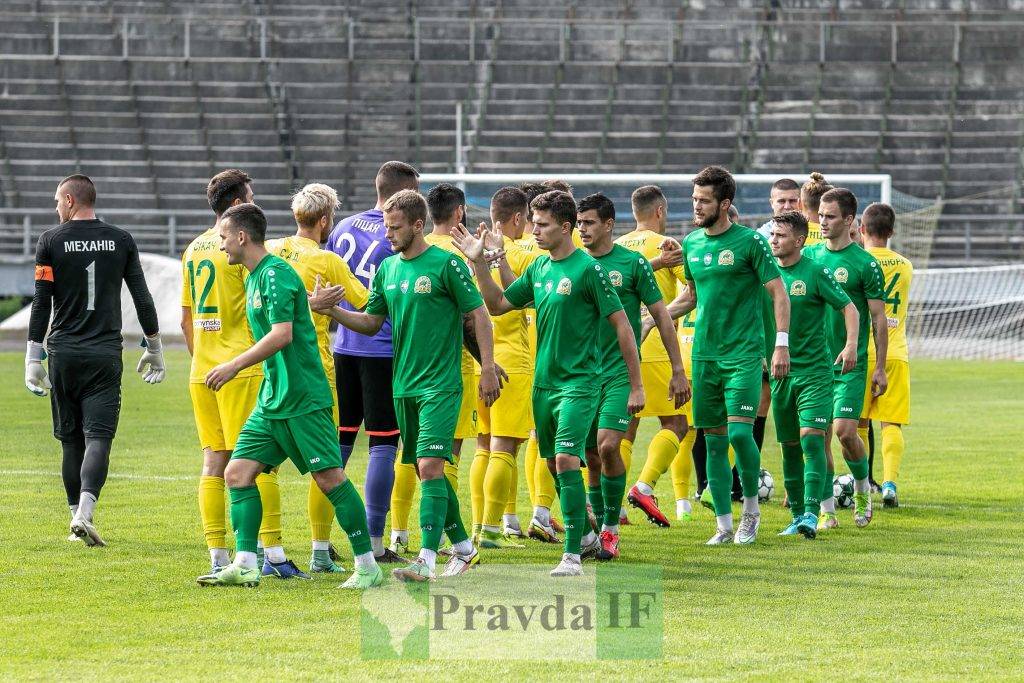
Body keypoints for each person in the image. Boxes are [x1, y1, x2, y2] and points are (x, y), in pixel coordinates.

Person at [453, 190, 642, 576]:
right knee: (554, 465)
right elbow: (498, 304)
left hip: (580, 384)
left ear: (566, 227)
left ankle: (572, 555)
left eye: (542, 224)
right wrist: (480, 265)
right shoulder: (539, 270)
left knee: (567, 458)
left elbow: (623, 326)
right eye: (533, 222)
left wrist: (636, 384)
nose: (534, 230)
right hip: (544, 386)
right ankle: (587, 537)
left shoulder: (589, 270)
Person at [194, 203, 381, 589]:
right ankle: (246, 563)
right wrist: (310, 304)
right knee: (237, 473)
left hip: (302, 397)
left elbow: (282, 334)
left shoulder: (275, 273)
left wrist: (232, 366)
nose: (222, 243)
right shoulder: (254, 276)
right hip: (272, 398)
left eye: (225, 236)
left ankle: (367, 565)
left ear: (242, 237)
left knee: (330, 478)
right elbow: (287, 313)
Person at [317, 190, 500, 582]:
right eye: (386, 226)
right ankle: (464, 549)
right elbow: (371, 321)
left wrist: (487, 367)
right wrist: (333, 310)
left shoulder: (447, 264)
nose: (388, 234)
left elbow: (478, 315)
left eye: (395, 227)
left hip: (441, 385)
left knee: (432, 465)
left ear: (418, 225)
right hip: (403, 386)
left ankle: (426, 560)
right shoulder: (388, 269)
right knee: (424, 468)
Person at [267, 183, 405, 570]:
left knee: (260, 463)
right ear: (324, 220)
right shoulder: (325, 260)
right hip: (317, 367)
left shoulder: (274, 250)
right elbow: (368, 306)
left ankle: (262, 549)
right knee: (336, 458)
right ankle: (327, 548)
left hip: (276, 368)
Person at [27, 174, 165, 547]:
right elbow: (141, 296)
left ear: (70, 199)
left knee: (71, 442)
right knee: (98, 437)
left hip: (63, 354)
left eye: (58, 200)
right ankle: (84, 513)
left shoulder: (50, 241)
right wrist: (154, 347)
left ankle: (76, 517)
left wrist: (31, 357)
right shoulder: (120, 240)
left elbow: (42, 302)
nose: (56, 207)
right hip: (104, 353)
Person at [661, 166, 791, 545]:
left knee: (738, 432)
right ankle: (722, 524)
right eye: (694, 199)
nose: (696, 206)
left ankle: (750, 511)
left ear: (725, 203)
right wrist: (655, 319)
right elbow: (690, 296)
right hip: (704, 357)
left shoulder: (751, 242)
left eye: (704, 200)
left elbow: (778, 293)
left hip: (744, 354)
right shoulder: (693, 244)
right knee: (713, 441)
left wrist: (780, 343)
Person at [183, 169, 303, 576]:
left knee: (213, 462)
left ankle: (218, 553)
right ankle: (272, 556)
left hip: (203, 369)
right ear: (236, 205)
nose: (256, 203)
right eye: (250, 197)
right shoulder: (238, 249)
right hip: (240, 369)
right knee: (258, 462)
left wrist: (205, 360)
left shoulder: (193, 248)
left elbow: (187, 318)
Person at [577, 193, 689, 559]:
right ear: (660, 212)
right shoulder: (570, 262)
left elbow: (660, 314)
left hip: (626, 366)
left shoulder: (631, 258)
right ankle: (610, 511)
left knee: (611, 443)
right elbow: (692, 293)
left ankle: (611, 526)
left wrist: (678, 370)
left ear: (611, 223)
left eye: (588, 222)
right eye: (579, 223)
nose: (583, 229)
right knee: (593, 452)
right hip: (581, 372)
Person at [326, 161, 418, 559]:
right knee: (383, 445)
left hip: (345, 345)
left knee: (338, 447)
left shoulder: (343, 227)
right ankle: (376, 543)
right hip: (383, 347)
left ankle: (319, 543)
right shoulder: (398, 231)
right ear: (405, 192)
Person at [768, 211, 859, 538]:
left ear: (799, 240)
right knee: (789, 445)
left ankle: (811, 512)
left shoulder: (815, 272)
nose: (774, 240)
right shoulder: (764, 273)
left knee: (811, 438)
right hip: (780, 375)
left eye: (780, 235)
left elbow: (849, 308)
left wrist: (850, 345)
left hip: (815, 374)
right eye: (772, 234)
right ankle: (796, 516)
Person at [805, 188, 888, 529]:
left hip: (851, 364)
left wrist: (880, 368)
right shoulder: (810, 257)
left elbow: (879, 319)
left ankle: (861, 486)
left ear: (850, 220)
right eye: (821, 215)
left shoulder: (865, 263)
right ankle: (826, 510)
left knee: (844, 431)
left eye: (830, 216)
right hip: (814, 363)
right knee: (817, 435)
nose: (822, 221)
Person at [615, 186, 690, 529]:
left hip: (622, 347)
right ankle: (644, 487)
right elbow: (694, 290)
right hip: (658, 346)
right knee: (676, 423)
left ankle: (613, 506)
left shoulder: (616, 247)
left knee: (625, 430)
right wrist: (662, 314)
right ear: (660, 211)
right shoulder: (667, 246)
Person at [470, 187, 538, 548]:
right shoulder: (524, 253)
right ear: (517, 219)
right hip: (511, 357)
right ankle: (494, 529)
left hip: (478, 357)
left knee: (482, 445)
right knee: (504, 447)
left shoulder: (469, 250)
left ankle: (480, 526)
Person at [858, 203, 912, 508]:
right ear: (892, 232)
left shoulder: (857, 261)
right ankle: (890, 482)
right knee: (891, 424)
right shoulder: (906, 266)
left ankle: (863, 484)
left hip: (863, 351)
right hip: (895, 353)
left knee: (859, 424)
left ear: (862, 229)